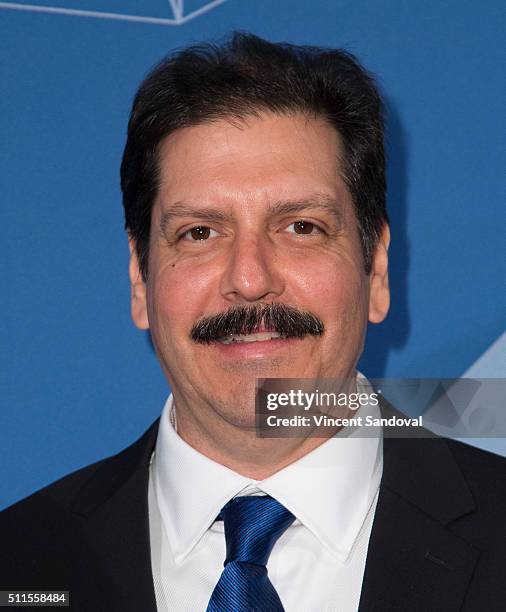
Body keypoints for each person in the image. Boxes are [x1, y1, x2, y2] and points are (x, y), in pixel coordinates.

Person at [1, 32, 504, 611]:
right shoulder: (17, 560)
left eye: (301, 227)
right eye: (200, 233)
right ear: (140, 280)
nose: (249, 277)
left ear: (377, 270)